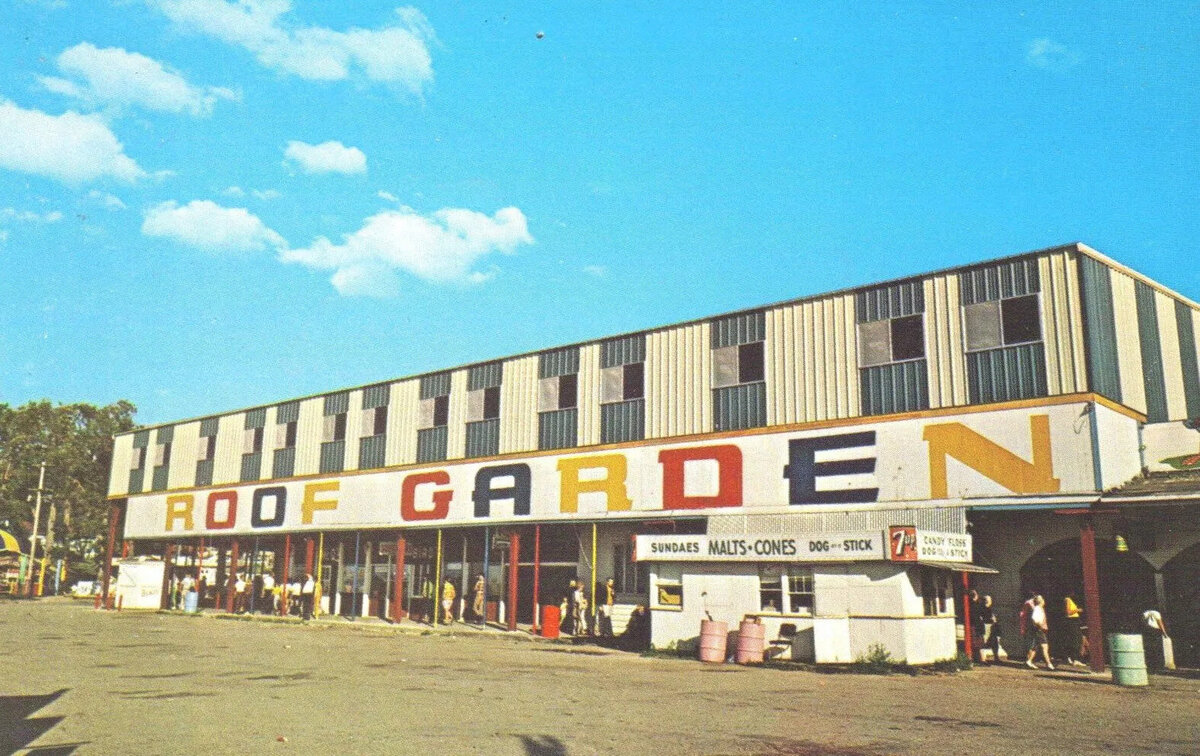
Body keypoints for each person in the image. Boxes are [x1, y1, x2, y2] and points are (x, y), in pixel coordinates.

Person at [1025, 594, 1054, 670]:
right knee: (1045, 647)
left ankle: (1029, 660)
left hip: (1039, 630)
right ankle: (1049, 663)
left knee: (1035, 647)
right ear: (1041, 601)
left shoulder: (1039, 608)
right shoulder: (1038, 608)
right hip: (1039, 630)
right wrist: (1039, 626)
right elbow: (1034, 618)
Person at [1062, 595, 1085, 666]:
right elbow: (1068, 612)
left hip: (1075, 621)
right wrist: (1077, 610)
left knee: (1078, 639)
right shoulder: (1067, 599)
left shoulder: (1070, 600)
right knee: (1075, 639)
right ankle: (1075, 659)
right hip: (1071, 621)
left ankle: (1073, 658)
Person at [982, 595, 1002, 663]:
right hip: (987, 626)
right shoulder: (983, 608)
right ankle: (983, 659)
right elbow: (983, 618)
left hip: (992, 626)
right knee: (985, 641)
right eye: (989, 600)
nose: (990, 601)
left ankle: (996, 657)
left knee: (995, 642)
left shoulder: (990, 608)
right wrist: (992, 618)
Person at [968, 590, 986, 662]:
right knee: (980, 644)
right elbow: (983, 614)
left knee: (975, 643)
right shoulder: (978, 605)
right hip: (978, 626)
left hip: (973, 625)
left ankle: (975, 658)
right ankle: (982, 659)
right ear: (976, 596)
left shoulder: (969, 604)